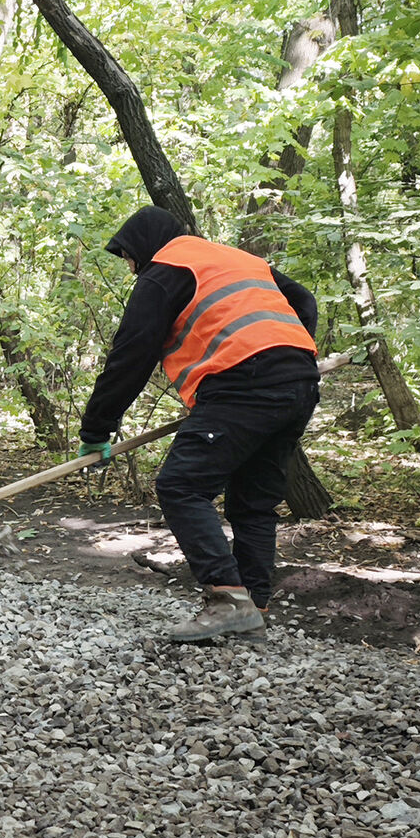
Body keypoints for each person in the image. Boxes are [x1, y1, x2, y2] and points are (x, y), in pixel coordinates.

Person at [80, 206, 320, 642]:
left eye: (129, 258)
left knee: (180, 485)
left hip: (243, 383)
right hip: (299, 382)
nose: (131, 268)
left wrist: (96, 429)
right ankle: (253, 608)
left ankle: (227, 601)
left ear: (144, 247)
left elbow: (131, 355)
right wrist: (287, 356)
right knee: (253, 504)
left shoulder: (165, 269)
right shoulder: (239, 259)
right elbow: (304, 301)